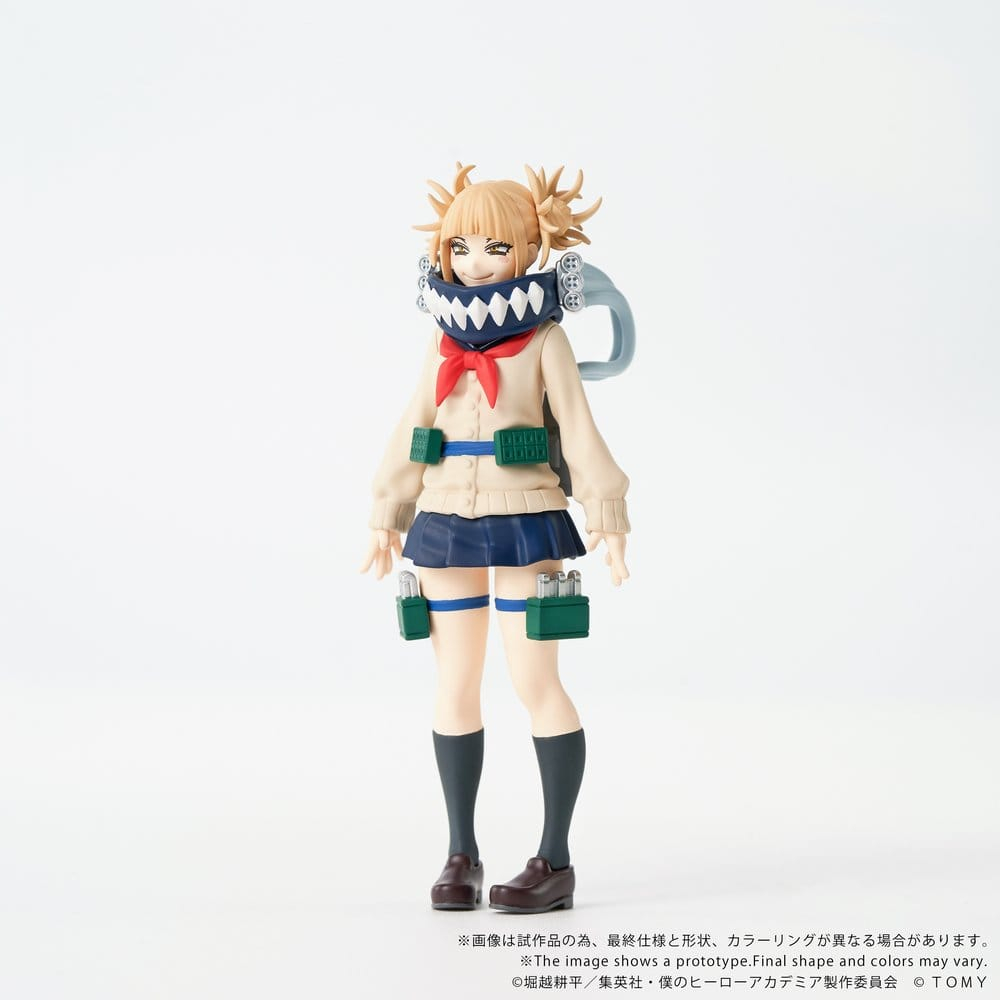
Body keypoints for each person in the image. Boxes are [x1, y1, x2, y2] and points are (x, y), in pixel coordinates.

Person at [361, 163, 631, 913]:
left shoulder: (545, 340)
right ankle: (461, 853)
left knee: (535, 682)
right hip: (444, 520)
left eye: (495, 247)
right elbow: (414, 426)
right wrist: (387, 509)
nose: (476, 263)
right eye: (461, 247)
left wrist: (608, 515)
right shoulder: (441, 340)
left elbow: (579, 431)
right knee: (454, 683)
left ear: (530, 249)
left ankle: (555, 860)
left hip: (526, 519)